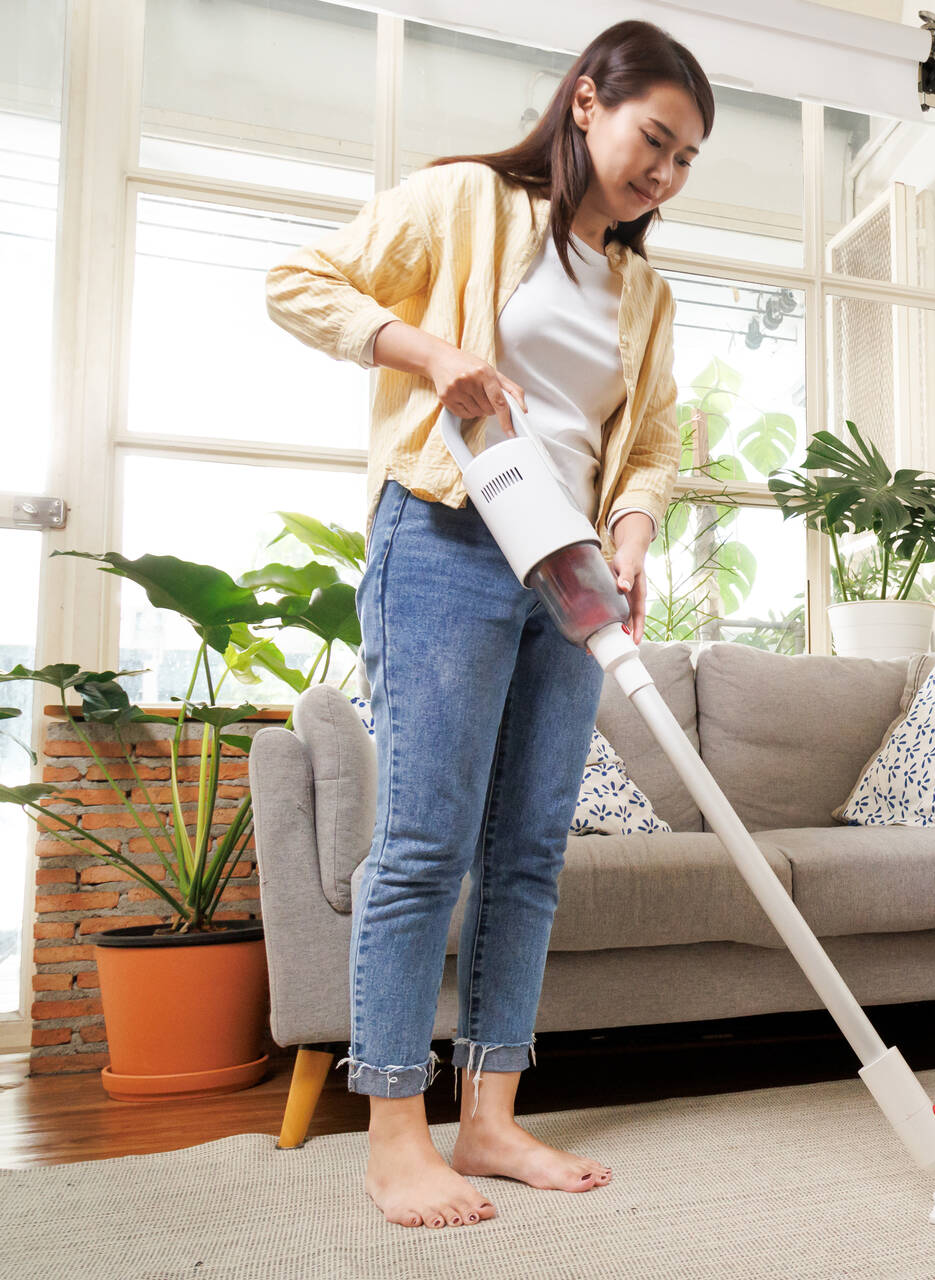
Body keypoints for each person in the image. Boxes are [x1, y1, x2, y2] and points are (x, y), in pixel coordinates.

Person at [264, 19, 713, 1230]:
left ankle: (492, 1114)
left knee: (528, 853)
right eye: (650, 140)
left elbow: (656, 435)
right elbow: (298, 281)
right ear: (584, 104)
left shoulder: (644, 290)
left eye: (681, 162)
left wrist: (629, 529)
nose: (660, 175)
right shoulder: (466, 201)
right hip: (450, 537)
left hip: (565, 573)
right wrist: (430, 351)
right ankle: (396, 1134)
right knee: (424, 841)